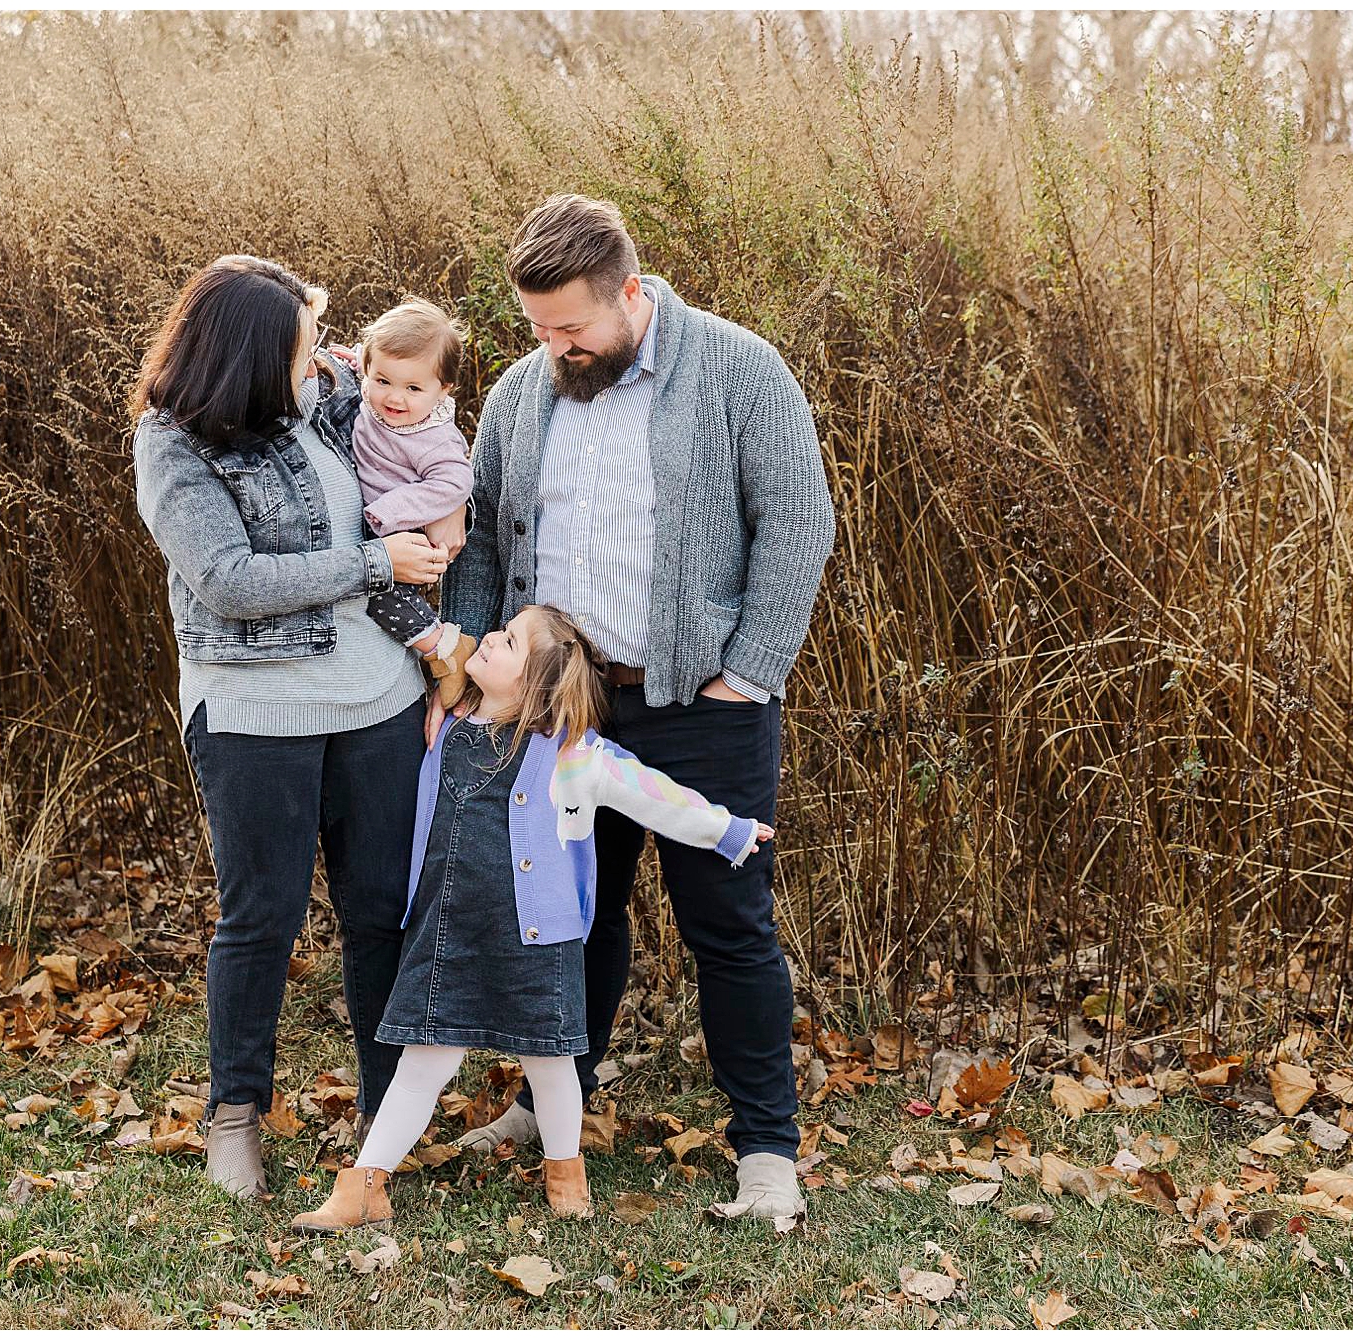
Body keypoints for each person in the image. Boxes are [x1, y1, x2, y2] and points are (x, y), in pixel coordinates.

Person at [438, 194, 835, 1221]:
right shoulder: (525, 392)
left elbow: (796, 521)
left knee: (727, 921)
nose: (555, 346)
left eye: (572, 326)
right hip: (563, 704)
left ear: (629, 289)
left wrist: (745, 671)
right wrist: (466, 676)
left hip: (701, 701)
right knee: (569, 915)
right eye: (537, 328)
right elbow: (482, 540)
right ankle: (549, 1099)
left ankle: (764, 1152)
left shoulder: (740, 369)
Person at [128, 255, 462, 1198]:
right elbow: (226, 580)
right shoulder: (174, 444)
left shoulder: (330, 396)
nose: (326, 364)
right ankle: (236, 1116)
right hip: (253, 712)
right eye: (308, 351)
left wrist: (448, 511)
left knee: (380, 915)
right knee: (260, 919)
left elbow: (425, 410)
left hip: (378, 702)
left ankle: (384, 1119)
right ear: (249, 356)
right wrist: (373, 562)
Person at [290, 604, 773, 1232]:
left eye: (511, 640)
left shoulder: (573, 755)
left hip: (536, 939)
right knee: (423, 1061)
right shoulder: (447, 728)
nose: (491, 636)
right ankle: (364, 1186)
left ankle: (564, 1171)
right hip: (448, 934)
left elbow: (654, 794)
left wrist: (726, 831)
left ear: (539, 686)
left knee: (552, 1065)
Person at [347, 298, 479, 706]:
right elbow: (368, 366)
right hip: (379, 519)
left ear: (444, 390)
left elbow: (455, 482)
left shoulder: (431, 437)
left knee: (378, 595)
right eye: (382, 380)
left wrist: (390, 510)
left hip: (403, 528)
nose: (395, 398)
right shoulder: (376, 393)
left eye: (413, 388)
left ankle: (443, 648)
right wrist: (346, 362)